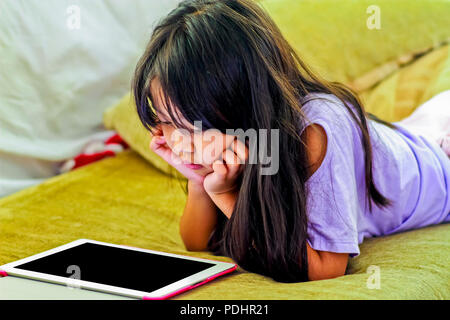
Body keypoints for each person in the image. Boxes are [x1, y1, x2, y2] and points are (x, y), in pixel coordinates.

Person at [132, 0, 450, 282]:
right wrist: (201, 182)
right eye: (164, 120)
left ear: (239, 105)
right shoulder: (238, 142)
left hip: (439, 169)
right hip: (408, 140)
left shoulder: (315, 136)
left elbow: (326, 268)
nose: (175, 140)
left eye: (188, 124)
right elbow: (196, 243)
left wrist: (227, 195)